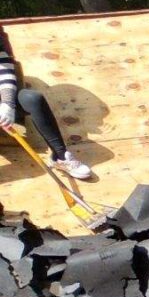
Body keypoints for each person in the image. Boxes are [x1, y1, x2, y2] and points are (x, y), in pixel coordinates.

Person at [0, 25, 95, 181]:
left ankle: (60, 157)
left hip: (4, 98)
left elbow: (3, 68)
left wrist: (7, 103)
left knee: (32, 98)